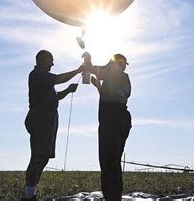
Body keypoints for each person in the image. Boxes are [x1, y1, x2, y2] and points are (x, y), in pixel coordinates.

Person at [23, 50, 82, 200]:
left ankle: (32, 192)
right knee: (37, 156)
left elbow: (55, 96)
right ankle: (28, 195)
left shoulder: (43, 77)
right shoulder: (37, 74)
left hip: (48, 120)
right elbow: (57, 79)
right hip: (40, 119)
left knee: (44, 157)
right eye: (51, 61)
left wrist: (68, 90)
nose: (53, 64)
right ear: (43, 60)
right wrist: (78, 70)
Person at [86, 52, 132, 201]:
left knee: (108, 160)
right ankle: (114, 195)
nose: (124, 67)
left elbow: (89, 68)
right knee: (114, 160)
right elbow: (116, 97)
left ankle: (112, 197)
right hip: (121, 121)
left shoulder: (112, 73)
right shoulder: (123, 78)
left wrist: (87, 57)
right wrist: (99, 87)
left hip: (111, 122)